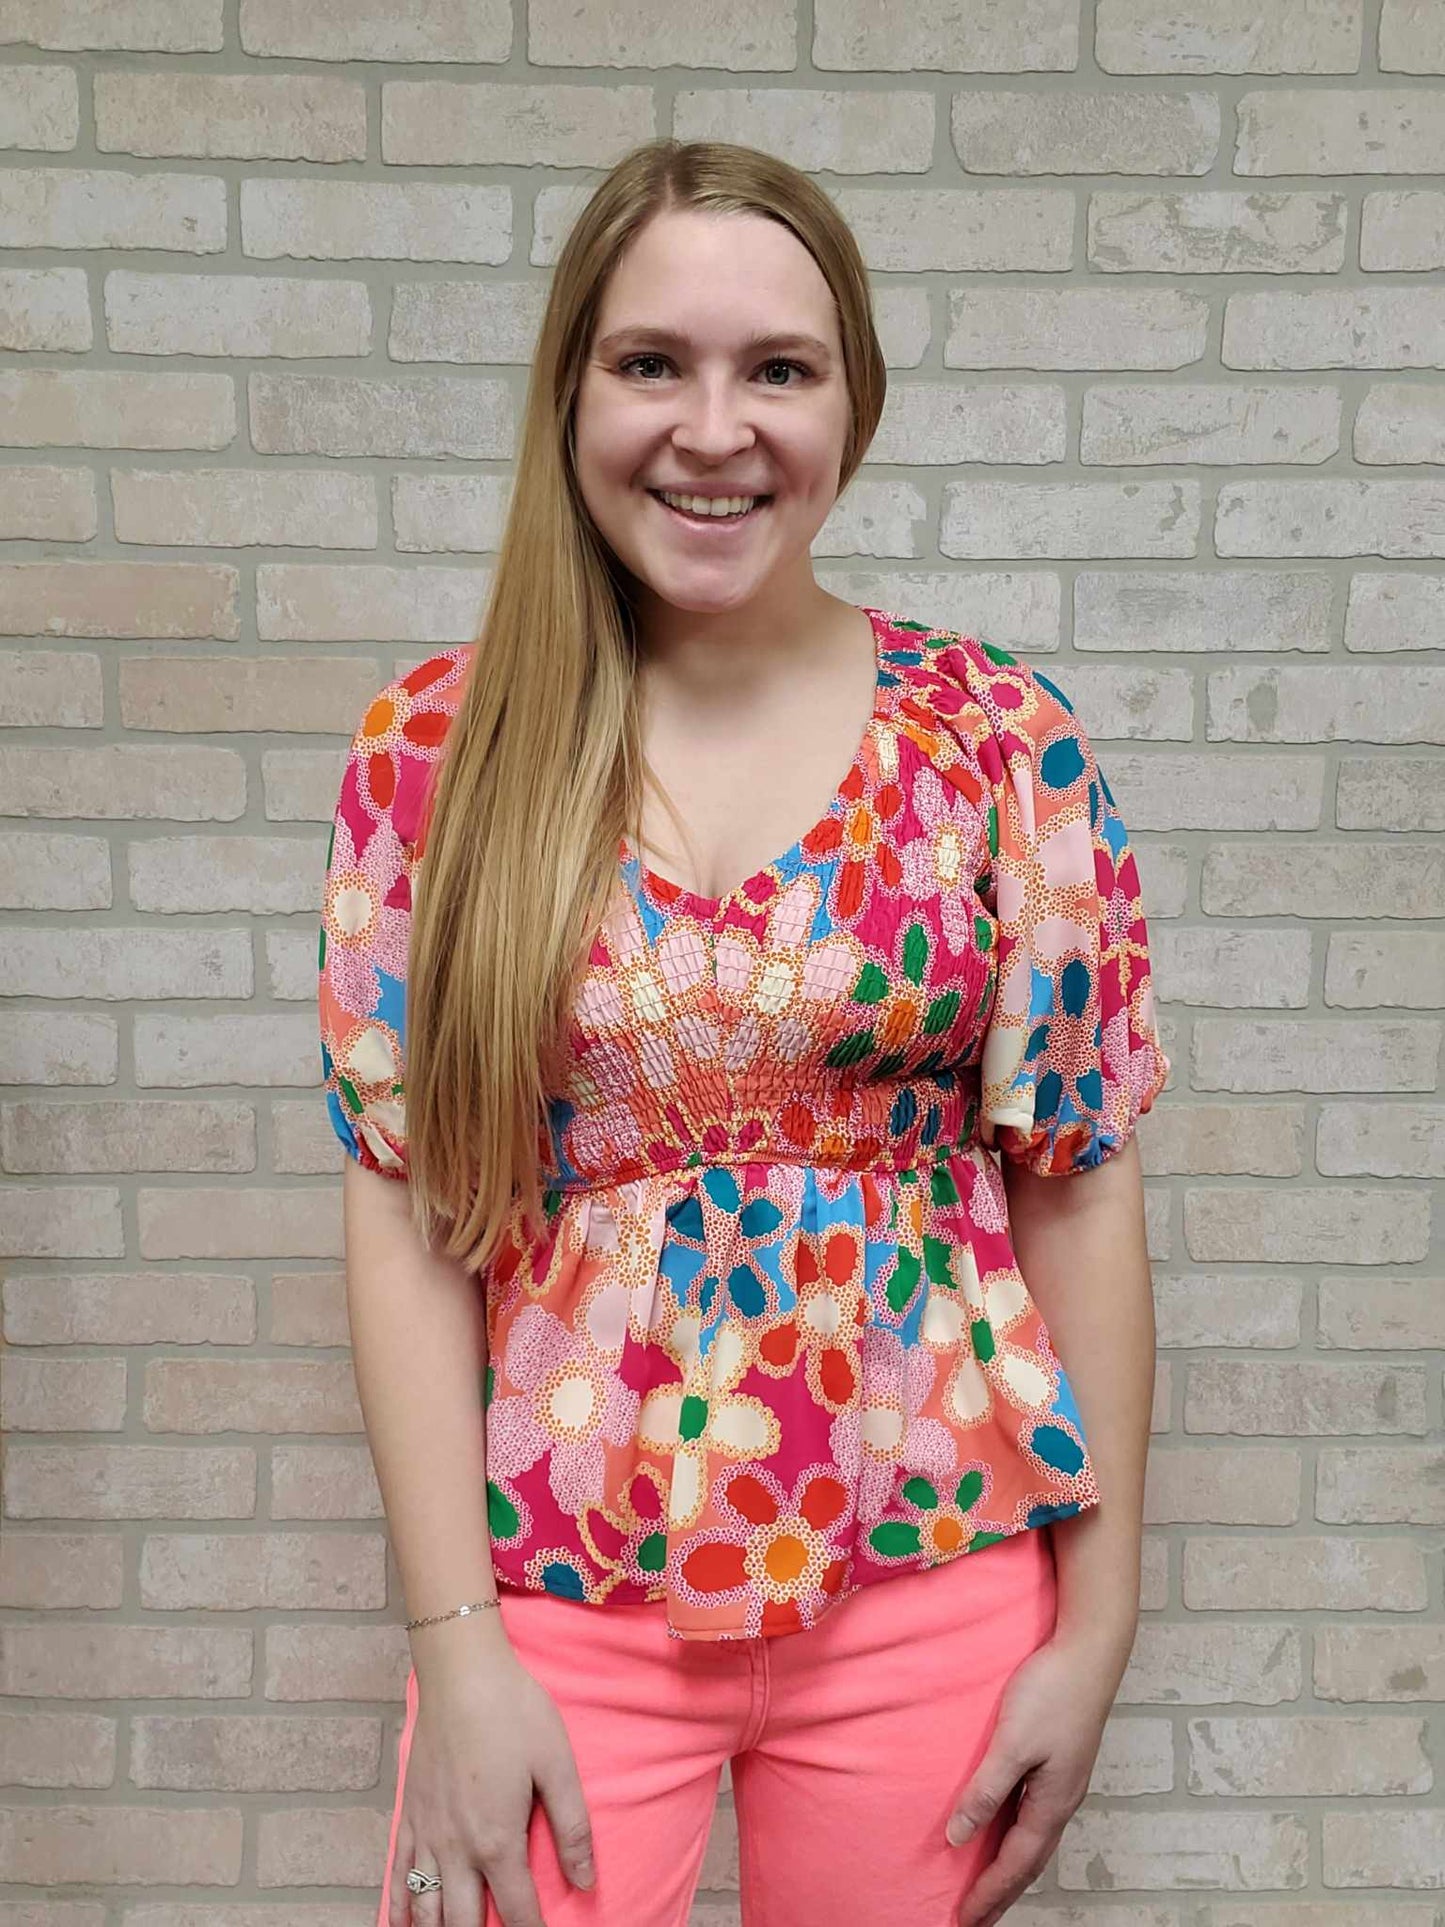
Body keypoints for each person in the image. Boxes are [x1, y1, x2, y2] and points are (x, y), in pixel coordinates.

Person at [318, 138, 1170, 1927]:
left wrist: (1097, 1627)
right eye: (652, 364)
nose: (715, 429)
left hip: (929, 1582)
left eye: (776, 368)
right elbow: (409, 1217)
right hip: (551, 1605)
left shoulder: (995, 742)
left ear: (850, 403)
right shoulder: (438, 752)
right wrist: (454, 1652)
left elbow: (1076, 1186)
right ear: (571, 392)